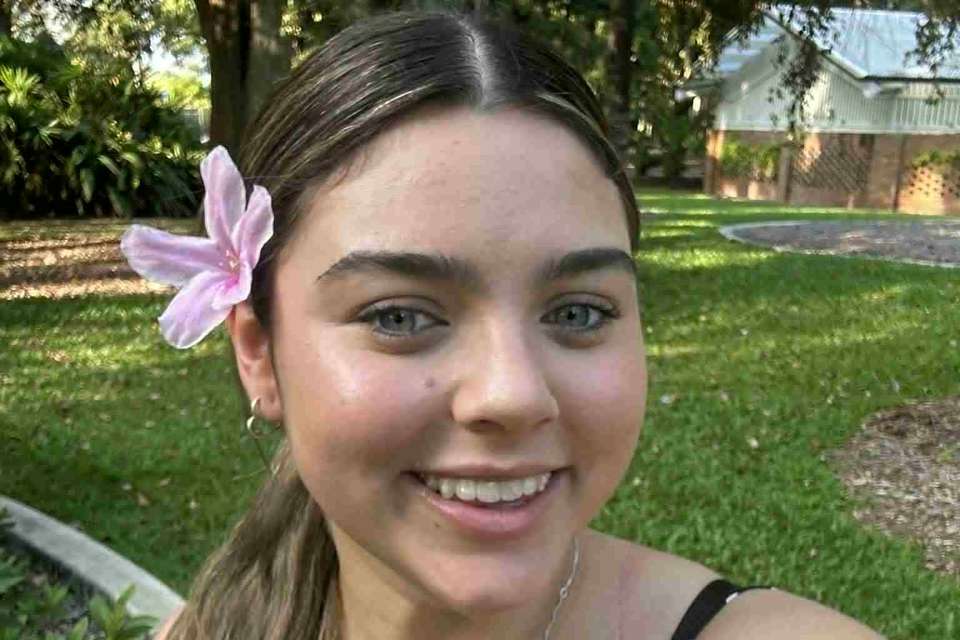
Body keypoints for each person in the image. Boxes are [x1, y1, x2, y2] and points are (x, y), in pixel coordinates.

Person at [125, 10, 883, 640]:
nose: (513, 395)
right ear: (259, 355)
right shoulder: (210, 627)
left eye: (578, 312)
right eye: (399, 315)